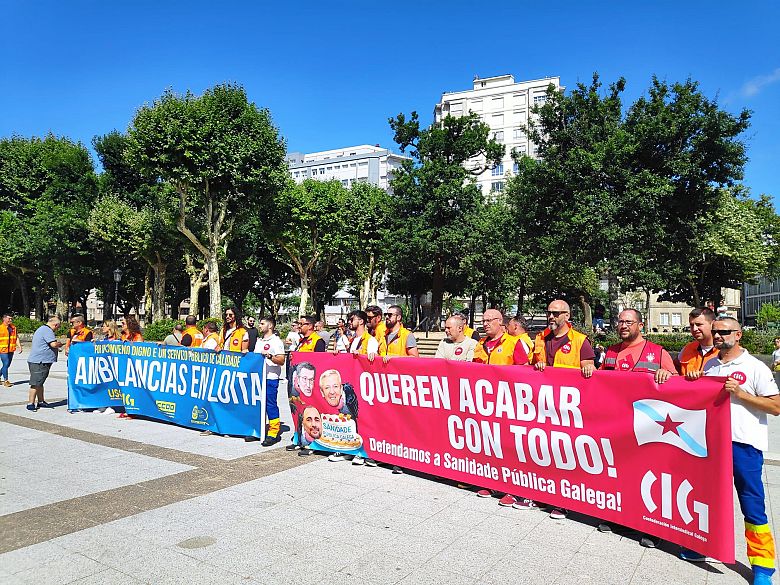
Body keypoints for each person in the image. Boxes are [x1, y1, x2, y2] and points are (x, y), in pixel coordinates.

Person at [684, 317, 779, 584]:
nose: (717, 336)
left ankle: (762, 566)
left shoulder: (755, 367)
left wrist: (741, 395)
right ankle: (701, 546)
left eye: (724, 332)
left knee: (752, 505)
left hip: (744, 446)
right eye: (715, 331)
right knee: (708, 500)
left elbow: (776, 406)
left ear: (738, 335)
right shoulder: (710, 365)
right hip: (712, 445)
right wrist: (694, 380)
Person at [597, 308, 677, 546]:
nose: (623, 326)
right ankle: (620, 517)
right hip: (618, 427)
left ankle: (653, 527)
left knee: (650, 477)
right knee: (621, 474)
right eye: (620, 321)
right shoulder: (611, 352)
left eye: (629, 322)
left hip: (648, 429)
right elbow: (600, 384)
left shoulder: (657, 352)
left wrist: (667, 374)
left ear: (640, 326)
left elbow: (676, 384)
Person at [528, 299, 596, 519]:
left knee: (564, 454)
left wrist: (589, 368)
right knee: (542, 452)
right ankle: (542, 494)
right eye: (549, 312)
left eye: (556, 313)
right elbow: (532, 365)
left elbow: (589, 368)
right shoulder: (541, 338)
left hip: (568, 409)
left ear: (567, 315)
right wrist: (538, 366)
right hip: (543, 406)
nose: (551, 316)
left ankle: (563, 501)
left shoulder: (580, 341)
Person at [472, 308, 528, 505]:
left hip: (508, 403)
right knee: (490, 444)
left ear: (500, 322)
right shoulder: (480, 344)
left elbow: (524, 372)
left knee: (510, 447)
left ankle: (515, 489)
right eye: (483, 320)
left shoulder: (513, 343)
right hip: (486, 404)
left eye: (489, 320)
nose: (485, 324)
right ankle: (493, 482)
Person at [253, 316, 286, 446]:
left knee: (270, 404)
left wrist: (270, 356)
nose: (259, 325)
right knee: (258, 403)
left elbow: (281, 360)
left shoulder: (276, 341)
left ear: (270, 326)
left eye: (262, 323)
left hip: (271, 377)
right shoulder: (259, 341)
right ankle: (259, 430)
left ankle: (273, 432)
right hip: (258, 378)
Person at [26, 316, 63, 411]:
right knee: (35, 383)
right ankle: (30, 403)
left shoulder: (42, 329)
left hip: (38, 360)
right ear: (56, 325)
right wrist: (60, 344)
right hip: (40, 361)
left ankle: (41, 401)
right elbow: (53, 344)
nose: (57, 329)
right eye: (58, 327)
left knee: (40, 382)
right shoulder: (47, 330)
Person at [678, 307, 718, 378]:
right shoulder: (687, 349)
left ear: (712, 324)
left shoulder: (725, 351)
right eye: (691, 325)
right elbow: (674, 371)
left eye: (699, 324)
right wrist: (667, 371)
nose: (694, 329)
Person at [0, 313, 22, 387]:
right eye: (9, 318)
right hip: (3, 349)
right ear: (4, 319)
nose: (10, 320)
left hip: (11, 349)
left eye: (11, 318)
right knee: (6, 364)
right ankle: (6, 381)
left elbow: (16, 337)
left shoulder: (13, 328)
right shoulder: (1, 328)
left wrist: (19, 346)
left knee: (7, 365)